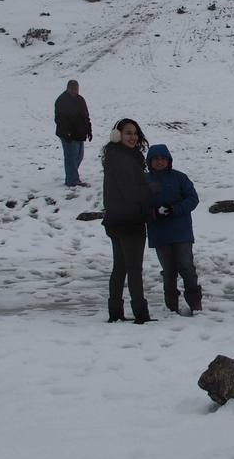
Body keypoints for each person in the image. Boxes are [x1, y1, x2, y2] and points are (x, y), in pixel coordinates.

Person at [101, 118, 153, 323]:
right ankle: (140, 314)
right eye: (128, 133)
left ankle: (115, 312)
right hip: (129, 221)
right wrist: (151, 189)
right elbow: (131, 192)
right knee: (133, 269)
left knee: (120, 268)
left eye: (134, 133)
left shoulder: (116, 156)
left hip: (116, 220)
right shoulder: (124, 159)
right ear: (118, 135)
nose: (132, 137)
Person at [145, 144, 202, 314]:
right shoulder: (144, 181)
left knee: (187, 268)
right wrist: (154, 213)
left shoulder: (180, 178)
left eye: (163, 158)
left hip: (181, 232)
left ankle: (195, 303)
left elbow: (193, 199)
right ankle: (171, 306)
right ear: (150, 162)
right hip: (159, 234)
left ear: (169, 160)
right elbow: (139, 206)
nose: (160, 162)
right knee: (169, 272)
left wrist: (175, 209)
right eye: (156, 159)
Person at [55, 80, 93, 187]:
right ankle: (72, 180)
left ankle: (72, 175)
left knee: (79, 156)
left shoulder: (80, 100)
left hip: (80, 133)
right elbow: (59, 119)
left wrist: (89, 131)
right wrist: (66, 132)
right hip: (68, 135)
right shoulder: (61, 100)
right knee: (71, 157)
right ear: (67, 88)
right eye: (72, 89)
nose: (74, 91)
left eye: (76, 89)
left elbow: (86, 117)